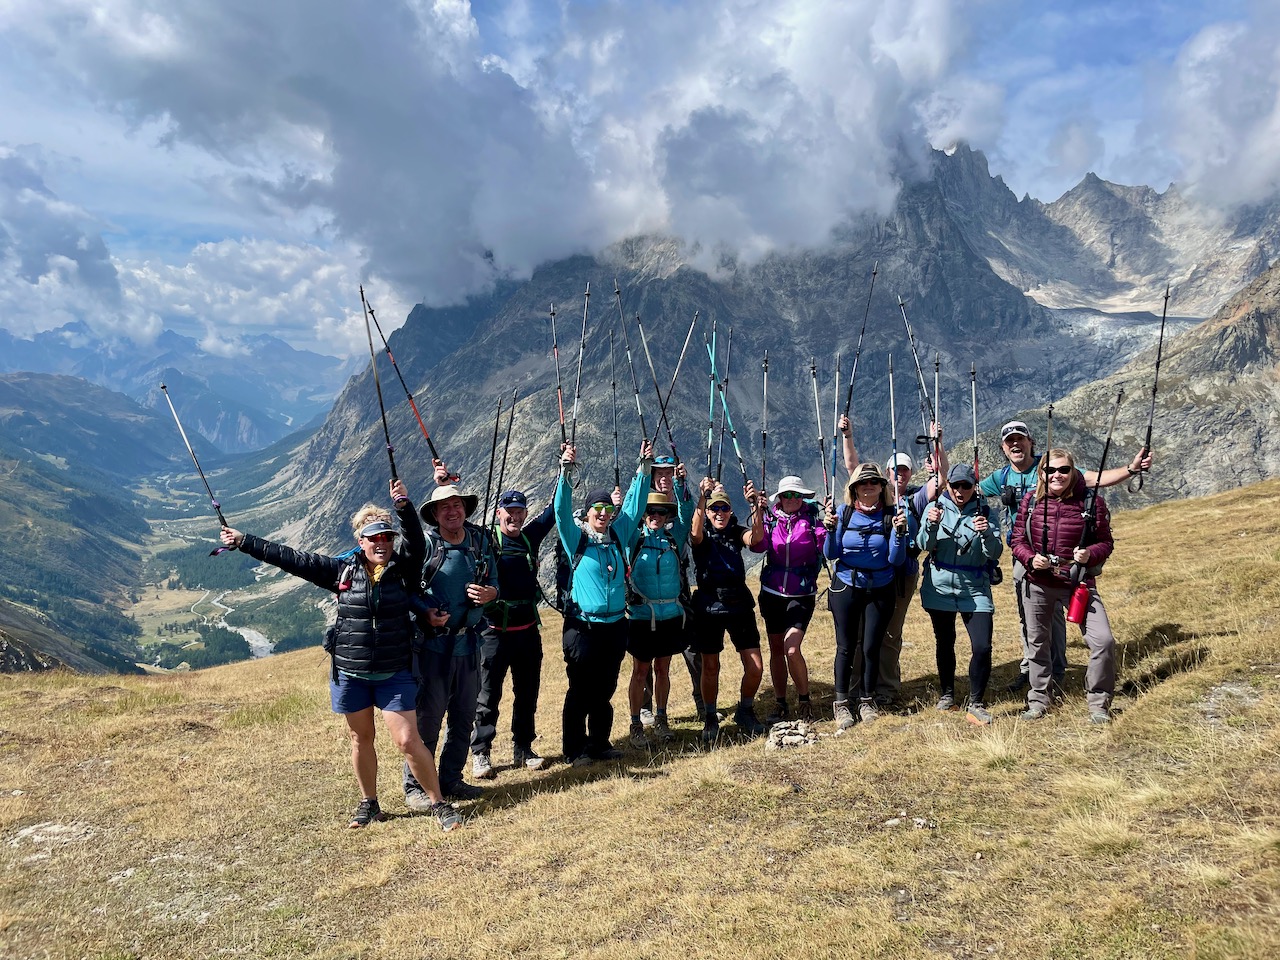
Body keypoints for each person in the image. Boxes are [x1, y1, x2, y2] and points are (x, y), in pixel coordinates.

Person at [218, 481, 462, 832]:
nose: (381, 543)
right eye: (373, 538)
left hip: (395, 670)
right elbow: (291, 558)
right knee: (360, 739)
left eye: (386, 538)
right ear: (360, 542)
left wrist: (405, 507)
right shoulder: (340, 572)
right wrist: (244, 542)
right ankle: (370, 803)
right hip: (351, 671)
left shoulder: (404, 570)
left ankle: (438, 804)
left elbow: (418, 541)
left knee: (408, 740)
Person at [980, 421, 1149, 693]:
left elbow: (1094, 478)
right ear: (1003, 447)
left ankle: (1056, 669)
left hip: (1064, 562)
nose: (1015, 444)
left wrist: (1130, 470)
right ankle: (1033, 670)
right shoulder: (999, 478)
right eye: (1009, 441)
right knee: (1030, 618)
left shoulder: (1051, 466)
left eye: (1020, 439)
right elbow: (966, 488)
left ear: (1030, 442)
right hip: (1025, 556)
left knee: (1055, 617)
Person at [402, 482, 498, 806]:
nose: (452, 511)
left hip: (470, 646)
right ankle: (416, 788)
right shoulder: (427, 546)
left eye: (457, 505)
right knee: (428, 719)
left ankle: (451, 780)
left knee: (463, 717)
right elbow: (408, 591)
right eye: (445, 507)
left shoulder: (480, 542)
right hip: (434, 648)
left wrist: (490, 595)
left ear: (464, 509)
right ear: (435, 514)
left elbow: (496, 583)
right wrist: (425, 613)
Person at [556, 441, 651, 765]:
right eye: (597, 510)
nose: (603, 514)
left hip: (614, 626)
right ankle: (574, 749)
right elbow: (559, 509)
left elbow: (636, 507)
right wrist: (566, 472)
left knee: (605, 688)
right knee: (580, 689)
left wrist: (643, 469)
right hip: (583, 628)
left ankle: (599, 743)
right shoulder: (576, 538)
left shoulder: (617, 535)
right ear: (587, 513)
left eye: (607, 510)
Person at [839, 415, 944, 707]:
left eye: (905, 470)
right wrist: (847, 435)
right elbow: (852, 468)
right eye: (894, 470)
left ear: (911, 474)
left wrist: (938, 446)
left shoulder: (914, 500)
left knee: (889, 633)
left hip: (902, 573)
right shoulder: (875, 498)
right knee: (862, 634)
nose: (899, 474)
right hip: (871, 572)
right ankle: (858, 687)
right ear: (885, 473)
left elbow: (940, 481)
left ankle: (883, 688)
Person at [1010, 449, 1117, 723]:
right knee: (1037, 644)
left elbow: (1105, 542)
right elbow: (1017, 540)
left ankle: (1098, 704)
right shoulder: (1030, 502)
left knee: (1102, 641)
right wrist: (1031, 559)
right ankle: (1038, 700)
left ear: (1073, 472)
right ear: (1042, 473)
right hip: (1038, 583)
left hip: (1078, 583)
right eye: (1050, 470)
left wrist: (1089, 554)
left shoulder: (1091, 503)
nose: (1057, 475)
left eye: (1063, 470)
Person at [470, 489, 556, 780]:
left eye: (520, 511)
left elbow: (554, 509)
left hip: (528, 631)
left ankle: (523, 748)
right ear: (499, 513)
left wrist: (564, 468)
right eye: (510, 511)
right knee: (488, 694)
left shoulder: (530, 537)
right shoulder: (486, 538)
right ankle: (481, 752)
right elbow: (452, 524)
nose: (516, 516)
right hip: (493, 632)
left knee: (527, 692)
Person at [823, 462, 907, 727]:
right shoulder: (842, 514)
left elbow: (896, 558)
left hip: (881, 586)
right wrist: (829, 530)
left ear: (882, 487)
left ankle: (867, 700)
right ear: (854, 489)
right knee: (846, 646)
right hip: (847, 585)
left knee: (872, 646)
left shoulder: (894, 516)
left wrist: (899, 533)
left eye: (874, 482)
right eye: (862, 482)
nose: (868, 486)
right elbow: (831, 554)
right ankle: (842, 703)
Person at [918, 463, 1003, 725]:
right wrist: (931, 525)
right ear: (949, 486)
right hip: (939, 587)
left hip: (974, 587)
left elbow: (996, 552)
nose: (960, 490)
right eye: (956, 485)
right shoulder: (935, 509)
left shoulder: (986, 512)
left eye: (966, 485)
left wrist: (986, 532)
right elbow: (923, 544)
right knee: (945, 642)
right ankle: (947, 695)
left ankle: (976, 702)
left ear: (973, 486)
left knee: (982, 645)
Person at [688, 477, 766, 744]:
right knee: (710, 667)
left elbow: (756, 538)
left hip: (739, 603)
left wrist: (756, 507)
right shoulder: (702, 534)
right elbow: (695, 533)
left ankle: (745, 710)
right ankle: (710, 715)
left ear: (731, 512)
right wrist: (702, 498)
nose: (719, 513)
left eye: (724, 509)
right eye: (715, 509)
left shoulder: (736, 530)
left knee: (755, 666)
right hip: (709, 605)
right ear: (708, 512)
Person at [752, 475, 828, 722]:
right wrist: (757, 513)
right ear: (780, 498)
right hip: (772, 594)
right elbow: (757, 546)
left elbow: (828, 547)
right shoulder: (770, 520)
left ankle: (805, 700)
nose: (792, 499)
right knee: (776, 649)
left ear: (804, 497)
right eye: (788, 495)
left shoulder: (813, 521)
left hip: (801, 594)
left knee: (792, 648)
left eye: (797, 495)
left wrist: (830, 527)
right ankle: (781, 702)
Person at [624, 486, 695, 748]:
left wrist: (680, 484)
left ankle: (662, 719)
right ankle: (636, 724)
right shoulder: (634, 538)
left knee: (662, 669)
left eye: (662, 511)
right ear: (643, 514)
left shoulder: (673, 537)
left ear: (667, 516)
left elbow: (687, 515)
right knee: (640, 671)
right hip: (642, 616)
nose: (656, 515)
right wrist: (636, 486)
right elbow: (626, 517)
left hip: (670, 616)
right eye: (651, 511)